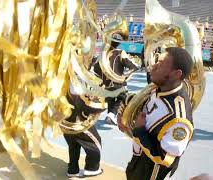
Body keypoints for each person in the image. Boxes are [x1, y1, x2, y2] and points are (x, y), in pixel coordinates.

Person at [117, 47, 194, 180]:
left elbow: (166, 159)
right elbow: (143, 102)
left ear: (176, 74)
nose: (153, 66)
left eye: (161, 64)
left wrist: (139, 131)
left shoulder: (179, 120)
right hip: (138, 158)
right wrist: (123, 111)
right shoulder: (160, 87)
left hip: (150, 173)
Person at [94, 34, 138, 125]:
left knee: (111, 99)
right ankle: (111, 115)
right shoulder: (120, 52)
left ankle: (110, 117)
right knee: (123, 97)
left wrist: (101, 80)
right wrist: (126, 76)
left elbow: (96, 68)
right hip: (117, 83)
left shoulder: (102, 54)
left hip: (105, 84)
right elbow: (132, 66)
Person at [63, 85, 104, 178]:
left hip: (66, 123)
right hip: (78, 122)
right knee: (95, 143)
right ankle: (92, 169)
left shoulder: (63, 82)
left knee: (74, 145)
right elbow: (86, 103)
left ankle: (72, 170)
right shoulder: (77, 83)